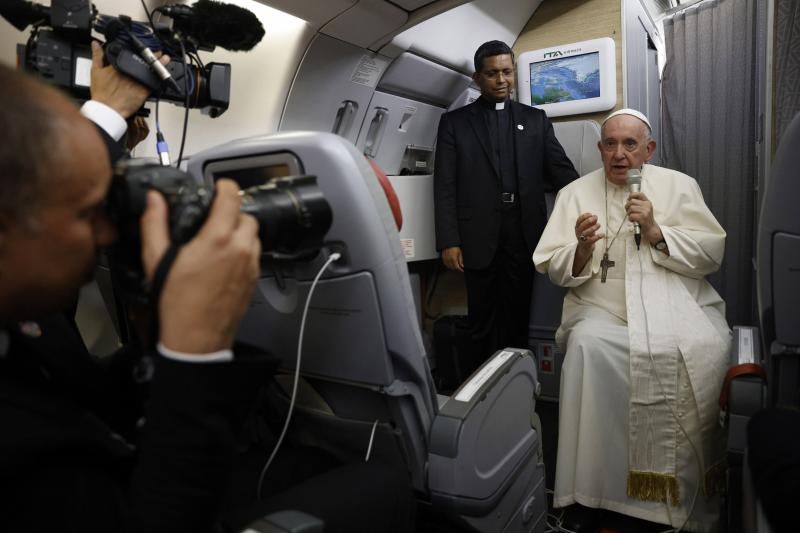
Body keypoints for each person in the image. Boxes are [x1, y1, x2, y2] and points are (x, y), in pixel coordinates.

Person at [0, 59, 414, 532]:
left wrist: (156, 331)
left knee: (312, 465)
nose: (106, 233)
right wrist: (193, 352)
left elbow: (88, 404)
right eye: (86, 214)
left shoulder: (29, 322)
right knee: (383, 485)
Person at [532, 109, 731, 532]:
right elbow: (552, 265)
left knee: (698, 348)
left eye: (630, 144)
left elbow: (711, 254)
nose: (619, 155)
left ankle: (675, 496)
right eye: (610, 144)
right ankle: (590, 491)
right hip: (601, 306)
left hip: (671, 297)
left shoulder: (680, 186)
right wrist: (583, 248)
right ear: (600, 148)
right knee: (587, 347)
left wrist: (657, 230)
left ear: (649, 149)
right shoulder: (575, 193)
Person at [434, 40, 577, 373]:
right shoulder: (454, 124)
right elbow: (444, 185)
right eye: (493, 73)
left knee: (516, 320)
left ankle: (515, 387)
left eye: (507, 72)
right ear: (477, 78)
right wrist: (449, 241)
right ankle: (478, 390)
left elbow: (563, 174)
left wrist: (599, 200)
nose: (502, 80)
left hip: (524, 233)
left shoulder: (536, 120)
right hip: (476, 236)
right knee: (481, 320)